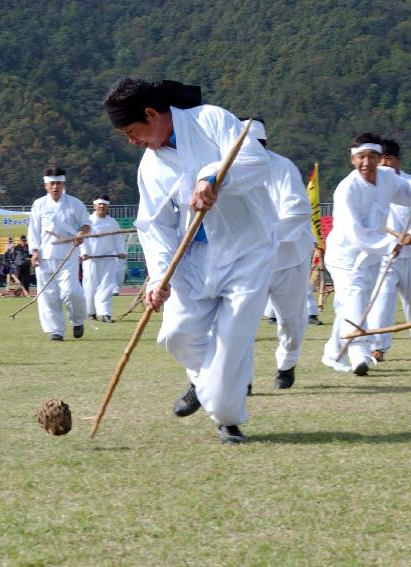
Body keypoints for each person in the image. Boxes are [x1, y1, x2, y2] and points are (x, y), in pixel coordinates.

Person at [104, 77, 276, 444]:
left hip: (246, 250)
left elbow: (255, 162)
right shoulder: (149, 167)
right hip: (192, 257)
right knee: (176, 334)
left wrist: (211, 176)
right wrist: (157, 278)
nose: (132, 142)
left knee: (232, 341)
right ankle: (205, 383)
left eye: (131, 131)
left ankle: (227, 419)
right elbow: (155, 227)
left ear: (151, 114)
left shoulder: (209, 120)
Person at [322, 133, 411, 375]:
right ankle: (359, 352)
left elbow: (405, 187)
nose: (366, 163)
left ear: (380, 158)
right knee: (356, 297)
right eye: (361, 157)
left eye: (371, 157)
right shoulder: (346, 190)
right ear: (352, 160)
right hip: (345, 255)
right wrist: (389, 244)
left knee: (353, 303)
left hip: (372, 256)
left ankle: (331, 351)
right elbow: (353, 232)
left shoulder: (387, 176)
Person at [244, 119, 315, 389]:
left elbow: (297, 211)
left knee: (290, 320)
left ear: (265, 145)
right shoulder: (226, 170)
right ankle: (242, 377)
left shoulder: (283, 167)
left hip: (289, 257)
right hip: (249, 261)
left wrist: (265, 236)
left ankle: (286, 364)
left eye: (257, 145)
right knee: (241, 321)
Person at [367, 140, 411, 360]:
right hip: (386, 255)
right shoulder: (369, 185)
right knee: (383, 299)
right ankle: (379, 346)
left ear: (397, 160)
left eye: (388, 158)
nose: (384, 163)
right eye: (380, 159)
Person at [27, 165, 90, 341]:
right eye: (52, 184)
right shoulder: (38, 204)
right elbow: (33, 230)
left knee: (71, 291)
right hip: (45, 258)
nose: (55, 187)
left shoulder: (75, 204)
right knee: (48, 295)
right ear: (46, 185)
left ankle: (77, 320)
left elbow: (86, 224)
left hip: (68, 255)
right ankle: (56, 331)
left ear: (63, 185)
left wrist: (80, 234)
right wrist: (35, 251)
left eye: (58, 184)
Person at [81, 194, 127, 323]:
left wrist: (121, 251)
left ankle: (105, 313)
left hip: (108, 259)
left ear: (107, 206)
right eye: (99, 204)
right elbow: (82, 239)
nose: (102, 206)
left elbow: (118, 239)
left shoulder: (112, 222)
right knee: (90, 286)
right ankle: (91, 312)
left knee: (107, 286)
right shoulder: (87, 221)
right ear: (95, 205)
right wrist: (83, 252)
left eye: (104, 204)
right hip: (91, 259)